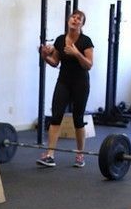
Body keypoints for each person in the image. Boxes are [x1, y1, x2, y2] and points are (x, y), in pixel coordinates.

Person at [38, 10, 94, 167]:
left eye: (79, 19)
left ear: (82, 24)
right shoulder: (60, 40)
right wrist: (43, 56)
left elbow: (89, 65)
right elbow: (55, 62)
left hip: (80, 83)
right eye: (73, 17)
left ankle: (80, 155)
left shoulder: (85, 41)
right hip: (63, 82)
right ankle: (50, 155)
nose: (75, 20)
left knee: (78, 118)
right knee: (56, 116)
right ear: (68, 20)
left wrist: (76, 53)